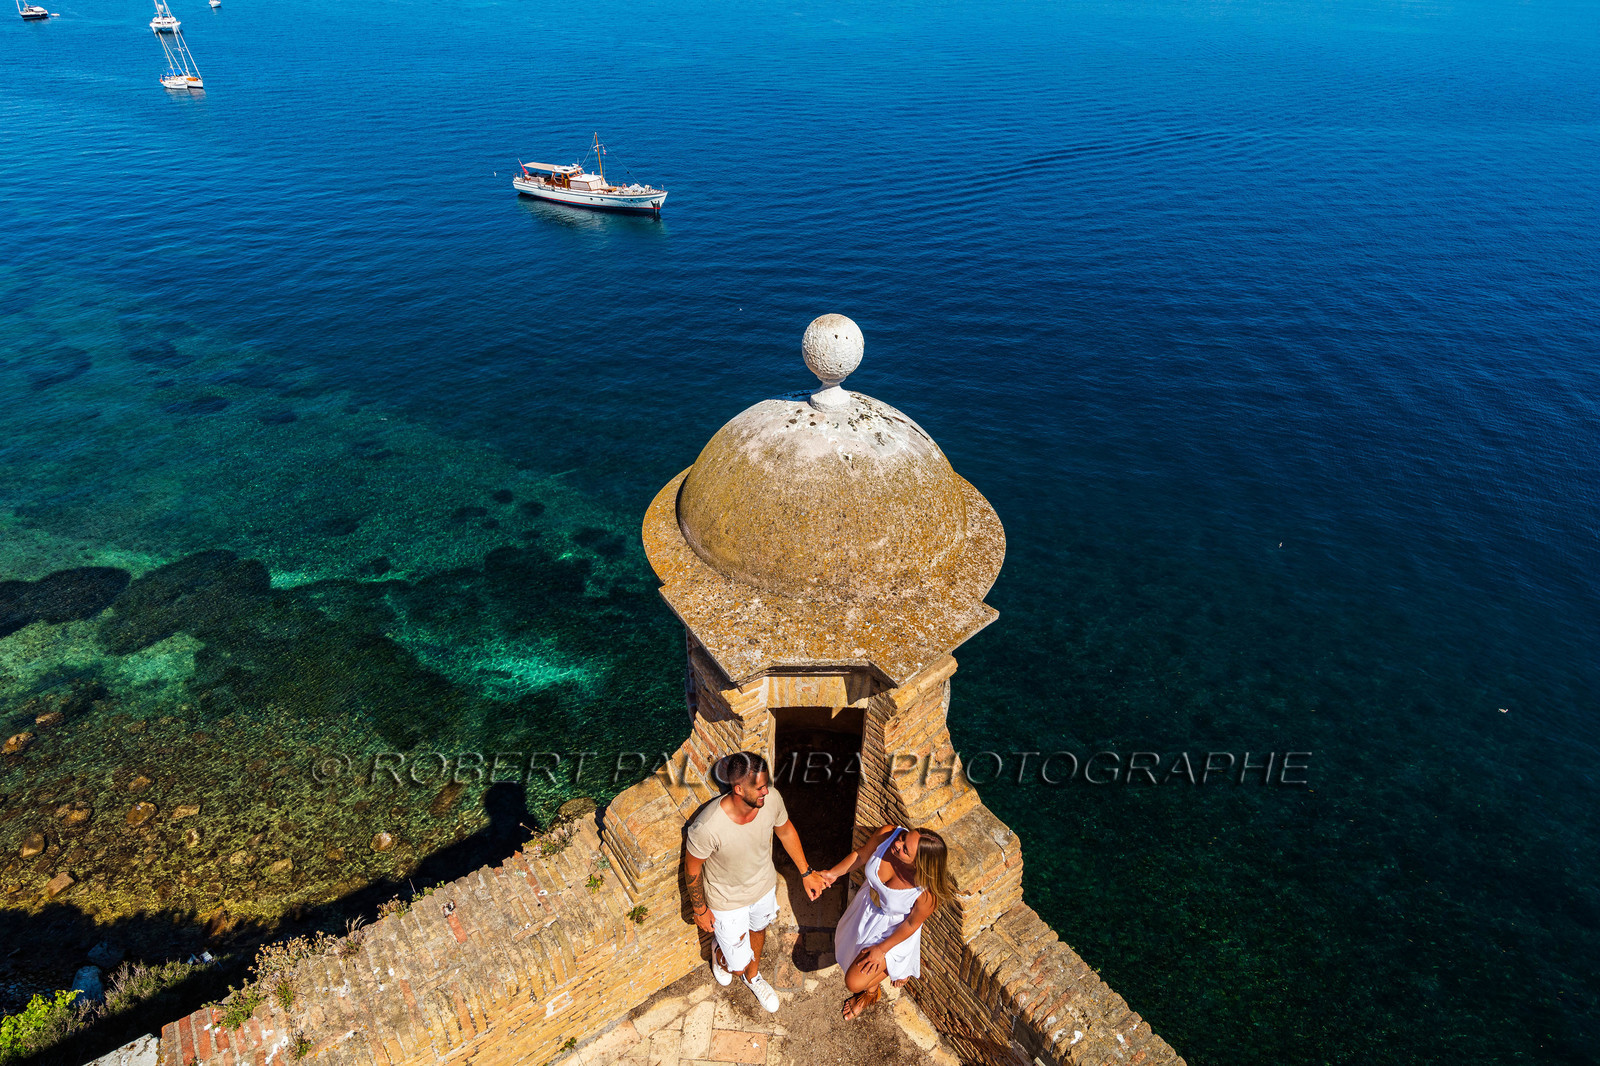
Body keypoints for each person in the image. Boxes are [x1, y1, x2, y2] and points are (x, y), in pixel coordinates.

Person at [684, 752, 829, 1013]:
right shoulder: (707, 827)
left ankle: (753, 977)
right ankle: (722, 955)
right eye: (759, 787)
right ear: (738, 788)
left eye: (766, 784)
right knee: (735, 965)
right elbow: (692, 868)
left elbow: (785, 830)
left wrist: (807, 873)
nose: (766, 791)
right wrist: (699, 909)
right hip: (727, 902)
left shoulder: (770, 800)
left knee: (758, 931)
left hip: (763, 888)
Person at [822, 823, 956, 1020]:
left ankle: (872, 991)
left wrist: (881, 950)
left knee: (853, 982)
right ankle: (875, 983)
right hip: (864, 911)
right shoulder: (888, 834)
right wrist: (832, 873)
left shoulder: (926, 894)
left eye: (905, 849)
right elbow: (861, 855)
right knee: (847, 952)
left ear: (919, 863)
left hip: (891, 934)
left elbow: (911, 925)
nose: (898, 843)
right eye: (904, 837)